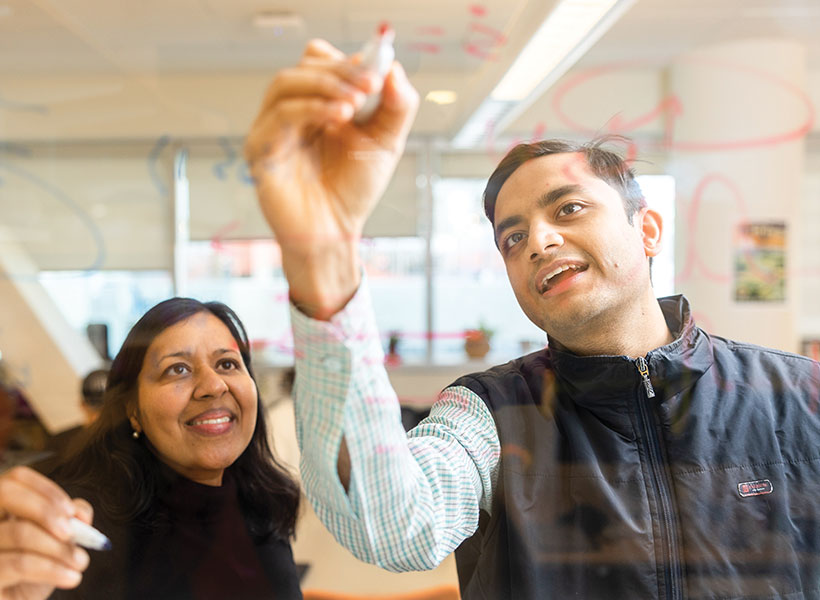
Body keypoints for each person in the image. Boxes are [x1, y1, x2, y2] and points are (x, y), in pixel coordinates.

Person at [244, 38, 820, 599]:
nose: (538, 241)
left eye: (568, 208)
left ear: (646, 230)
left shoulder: (794, 394)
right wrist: (322, 251)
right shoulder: (491, 413)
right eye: (512, 238)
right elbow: (395, 526)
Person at [0, 298, 302, 600]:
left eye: (227, 364)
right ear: (133, 410)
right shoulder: (81, 532)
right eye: (178, 369)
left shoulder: (262, 505)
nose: (214, 385)